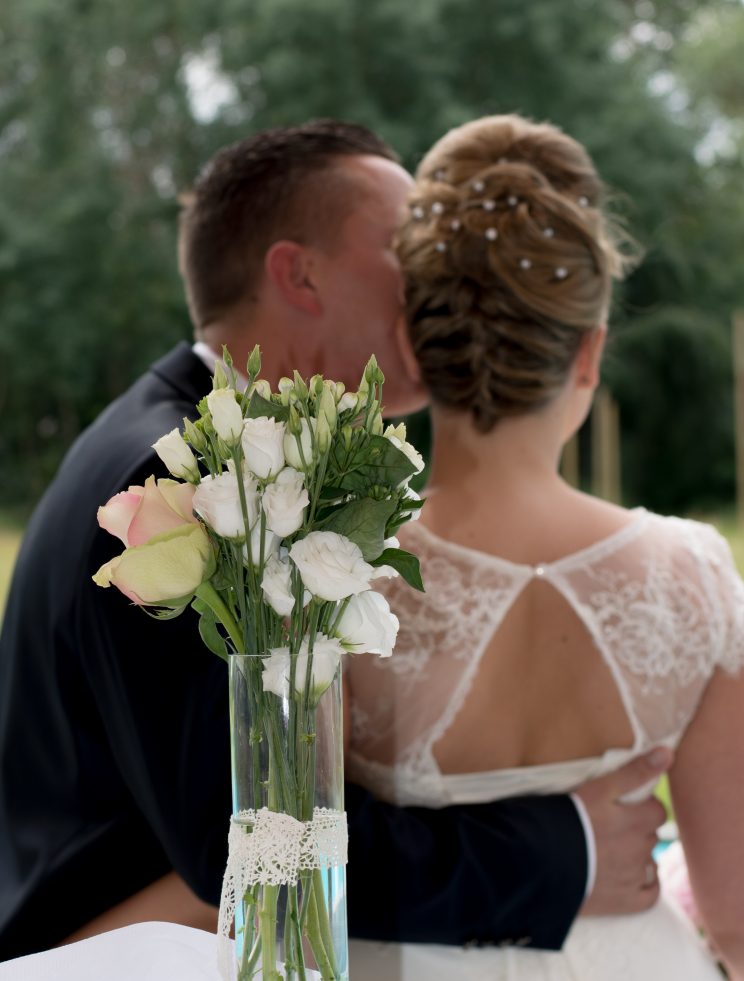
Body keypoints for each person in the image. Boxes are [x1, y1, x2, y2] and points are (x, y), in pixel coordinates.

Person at [0, 120, 669, 962]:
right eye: (406, 250)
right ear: (299, 273)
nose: (436, 282)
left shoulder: (202, 444)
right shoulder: (179, 481)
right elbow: (250, 842)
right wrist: (561, 852)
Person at [345, 113, 744, 978]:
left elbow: (301, 858)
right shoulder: (696, 575)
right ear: (591, 352)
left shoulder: (336, 579)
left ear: (414, 343)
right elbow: (738, 914)